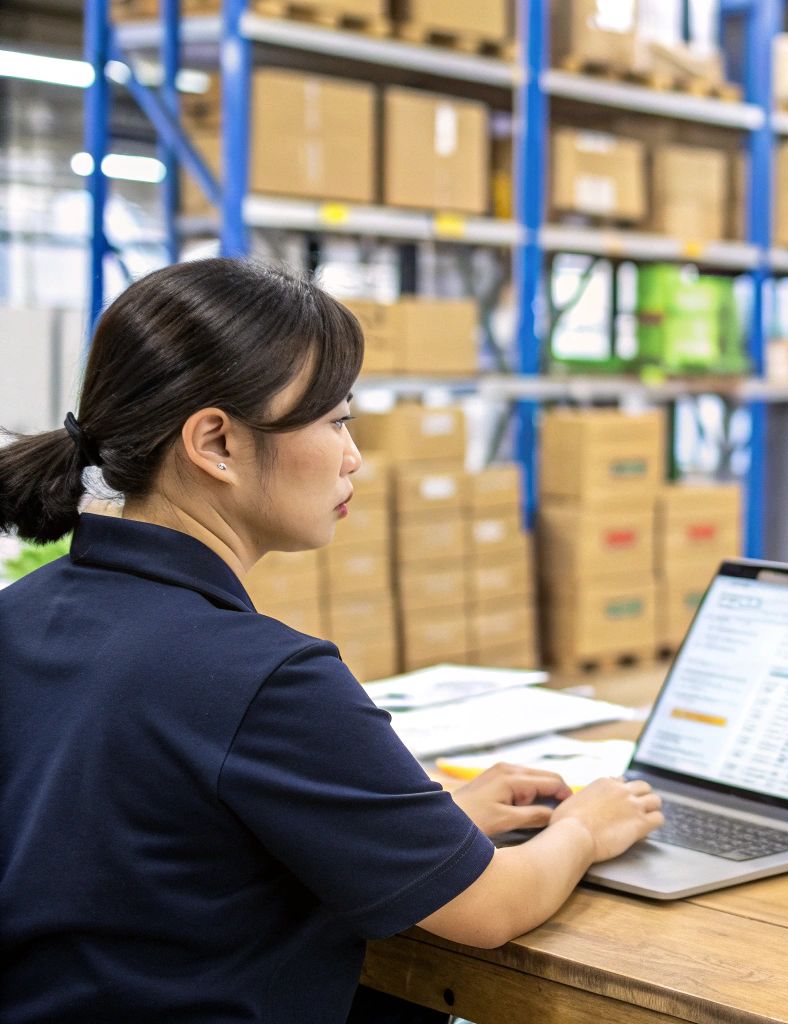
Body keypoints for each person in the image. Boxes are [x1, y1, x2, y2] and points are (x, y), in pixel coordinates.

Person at [0, 259, 663, 1023]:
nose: (353, 456)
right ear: (215, 442)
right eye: (336, 420)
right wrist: (584, 826)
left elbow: (152, 831)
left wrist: (430, 820)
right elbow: (485, 909)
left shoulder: (25, 614)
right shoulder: (264, 678)